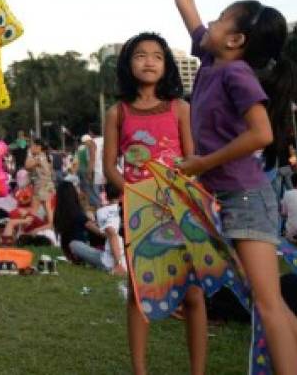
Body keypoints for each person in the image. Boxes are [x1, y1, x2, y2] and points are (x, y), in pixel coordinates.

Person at [151, 0, 297, 374]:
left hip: (247, 197)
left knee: (267, 307)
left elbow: (261, 134)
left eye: (222, 19)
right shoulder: (211, 63)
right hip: (229, 195)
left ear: (237, 40)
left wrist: (202, 163)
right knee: (270, 302)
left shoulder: (238, 75)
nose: (210, 21)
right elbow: (185, 3)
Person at [102, 31, 208, 375]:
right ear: (128, 64)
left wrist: (178, 193)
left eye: (157, 56)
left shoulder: (181, 108)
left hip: (179, 209)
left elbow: (192, 159)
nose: (149, 61)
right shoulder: (117, 112)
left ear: (166, 66)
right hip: (138, 212)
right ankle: (139, 370)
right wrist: (135, 196)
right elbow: (109, 168)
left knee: (193, 294)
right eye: (140, 55)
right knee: (139, 291)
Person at [68, 182, 126, 275]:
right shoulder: (126, 211)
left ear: (106, 195)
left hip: (109, 261)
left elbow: (110, 233)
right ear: (121, 195)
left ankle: (117, 266)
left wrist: (118, 264)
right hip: (127, 259)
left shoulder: (102, 212)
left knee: (74, 244)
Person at [52, 179, 103, 263]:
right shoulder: (78, 214)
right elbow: (98, 231)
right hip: (79, 249)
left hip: (68, 252)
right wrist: (111, 235)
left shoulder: (59, 214)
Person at [76, 134, 100, 208]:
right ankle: (94, 202)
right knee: (92, 187)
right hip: (90, 169)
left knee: (88, 187)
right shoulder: (94, 146)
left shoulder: (82, 148)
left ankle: (94, 203)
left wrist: (88, 172)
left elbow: (79, 160)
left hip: (84, 169)